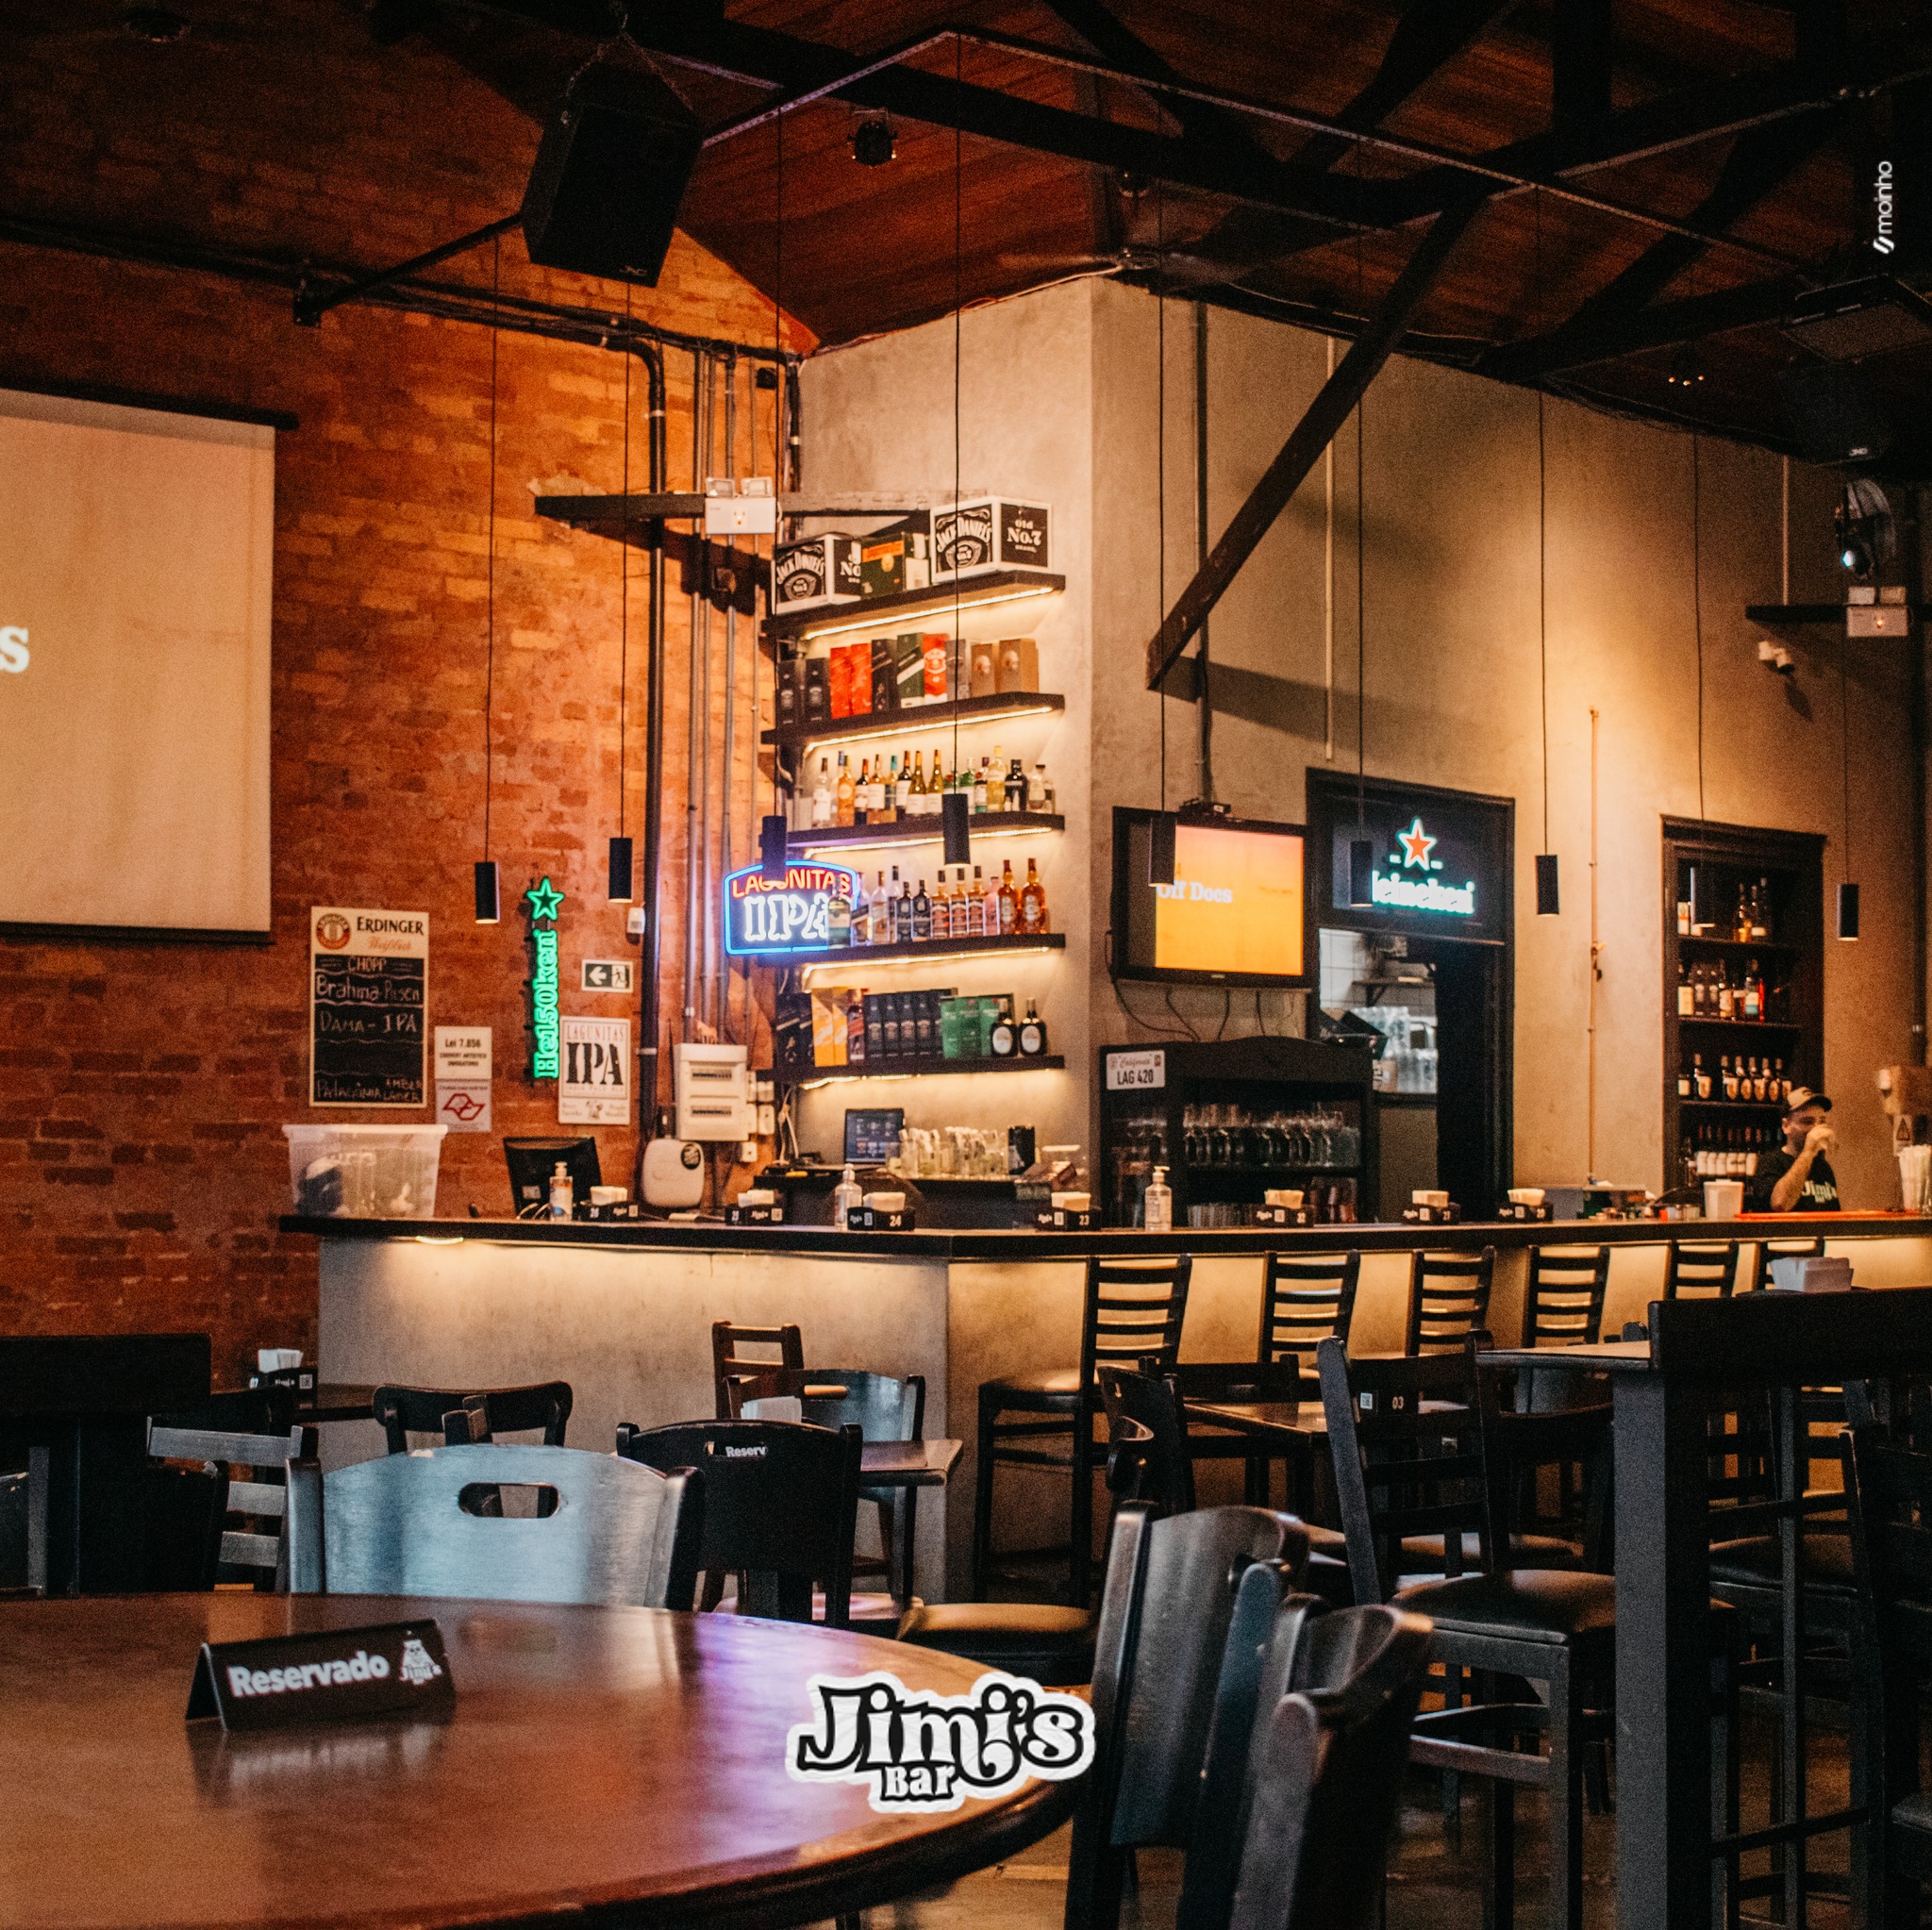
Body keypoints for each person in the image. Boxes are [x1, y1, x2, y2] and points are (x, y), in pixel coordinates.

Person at [1747, 1088, 1840, 1212]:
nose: (1816, 1129)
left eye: (1821, 1121)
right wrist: (1808, 1152)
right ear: (1786, 1126)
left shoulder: (1823, 1167)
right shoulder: (1770, 1162)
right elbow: (1780, 1205)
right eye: (1807, 1122)